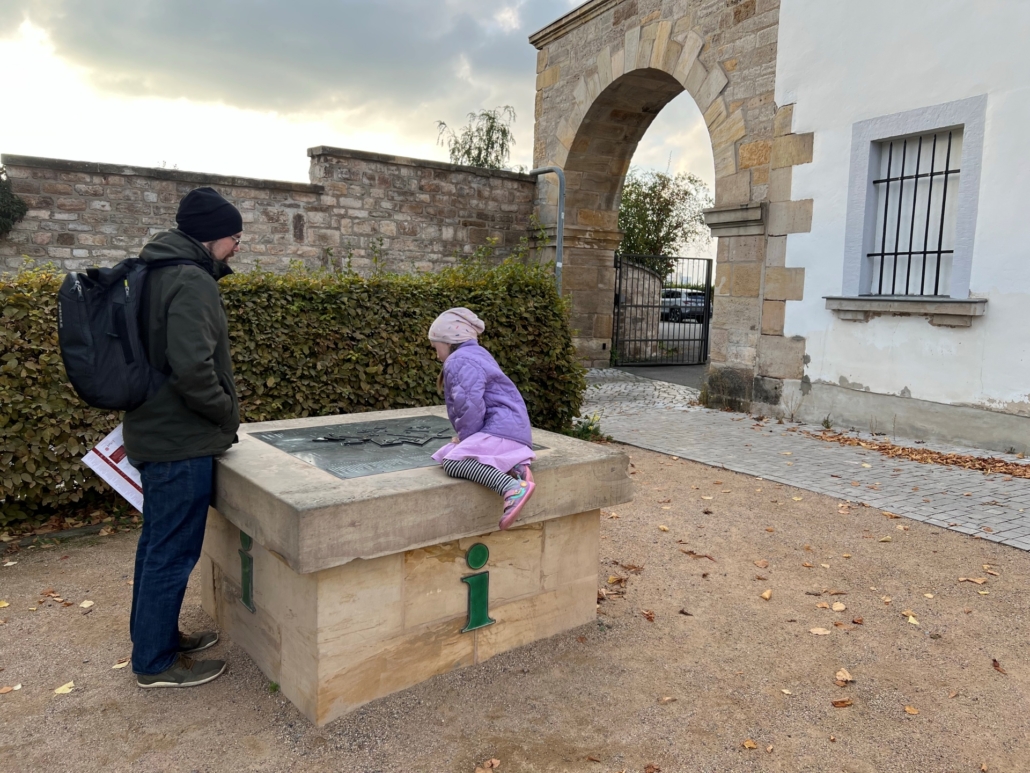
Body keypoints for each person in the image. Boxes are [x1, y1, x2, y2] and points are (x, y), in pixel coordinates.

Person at [122, 187, 242, 688]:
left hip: (154, 430)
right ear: (215, 236)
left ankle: (158, 639)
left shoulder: (149, 272)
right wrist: (223, 415)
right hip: (181, 441)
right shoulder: (191, 280)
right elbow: (194, 368)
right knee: (170, 553)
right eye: (235, 237)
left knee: (156, 547)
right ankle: (154, 662)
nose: (237, 247)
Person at [429, 308, 536, 530]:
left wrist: (467, 439)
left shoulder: (458, 361)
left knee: (453, 462)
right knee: (449, 451)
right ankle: (516, 466)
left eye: (435, 346)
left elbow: (468, 405)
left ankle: (511, 487)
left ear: (448, 341)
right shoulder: (477, 354)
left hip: (500, 429)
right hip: (511, 429)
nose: (435, 353)